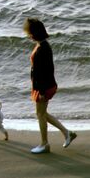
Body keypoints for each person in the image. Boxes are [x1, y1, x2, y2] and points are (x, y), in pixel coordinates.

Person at [24, 17, 76, 154]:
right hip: (42, 86)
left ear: (34, 33)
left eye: (29, 32)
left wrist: (41, 91)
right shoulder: (42, 45)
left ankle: (44, 144)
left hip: (44, 87)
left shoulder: (43, 49)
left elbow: (44, 71)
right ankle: (67, 133)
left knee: (40, 114)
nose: (28, 35)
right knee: (42, 113)